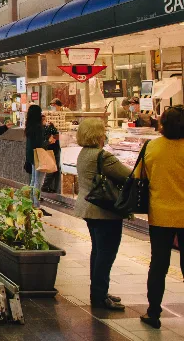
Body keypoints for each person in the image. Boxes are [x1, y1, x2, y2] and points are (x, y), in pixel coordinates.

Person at [73, 118, 132, 311]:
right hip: (104, 211)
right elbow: (127, 175)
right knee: (106, 254)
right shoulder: (102, 156)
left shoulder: (83, 154)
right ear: (98, 134)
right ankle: (100, 296)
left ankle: (98, 292)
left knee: (98, 251)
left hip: (88, 208)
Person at [136, 105, 184, 329]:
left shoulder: (152, 147)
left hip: (160, 215)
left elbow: (138, 176)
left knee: (158, 265)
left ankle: (153, 312)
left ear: (162, 124)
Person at [24, 105, 51, 215]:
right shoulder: (39, 127)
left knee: (33, 181)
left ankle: (30, 203)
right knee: (38, 182)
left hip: (31, 156)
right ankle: (36, 206)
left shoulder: (29, 126)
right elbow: (40, 144)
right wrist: (49, 141)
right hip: (39, 156)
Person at [42, 115, 62, 193]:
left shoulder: (45, 128)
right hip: (52, 150)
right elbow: (56, 136)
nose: (46, 122)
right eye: (45, 120)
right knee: (52, 168)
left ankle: (52, 187)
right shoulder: (45, 128)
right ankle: (45, 186)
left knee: (54, 168)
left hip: (52, 149)